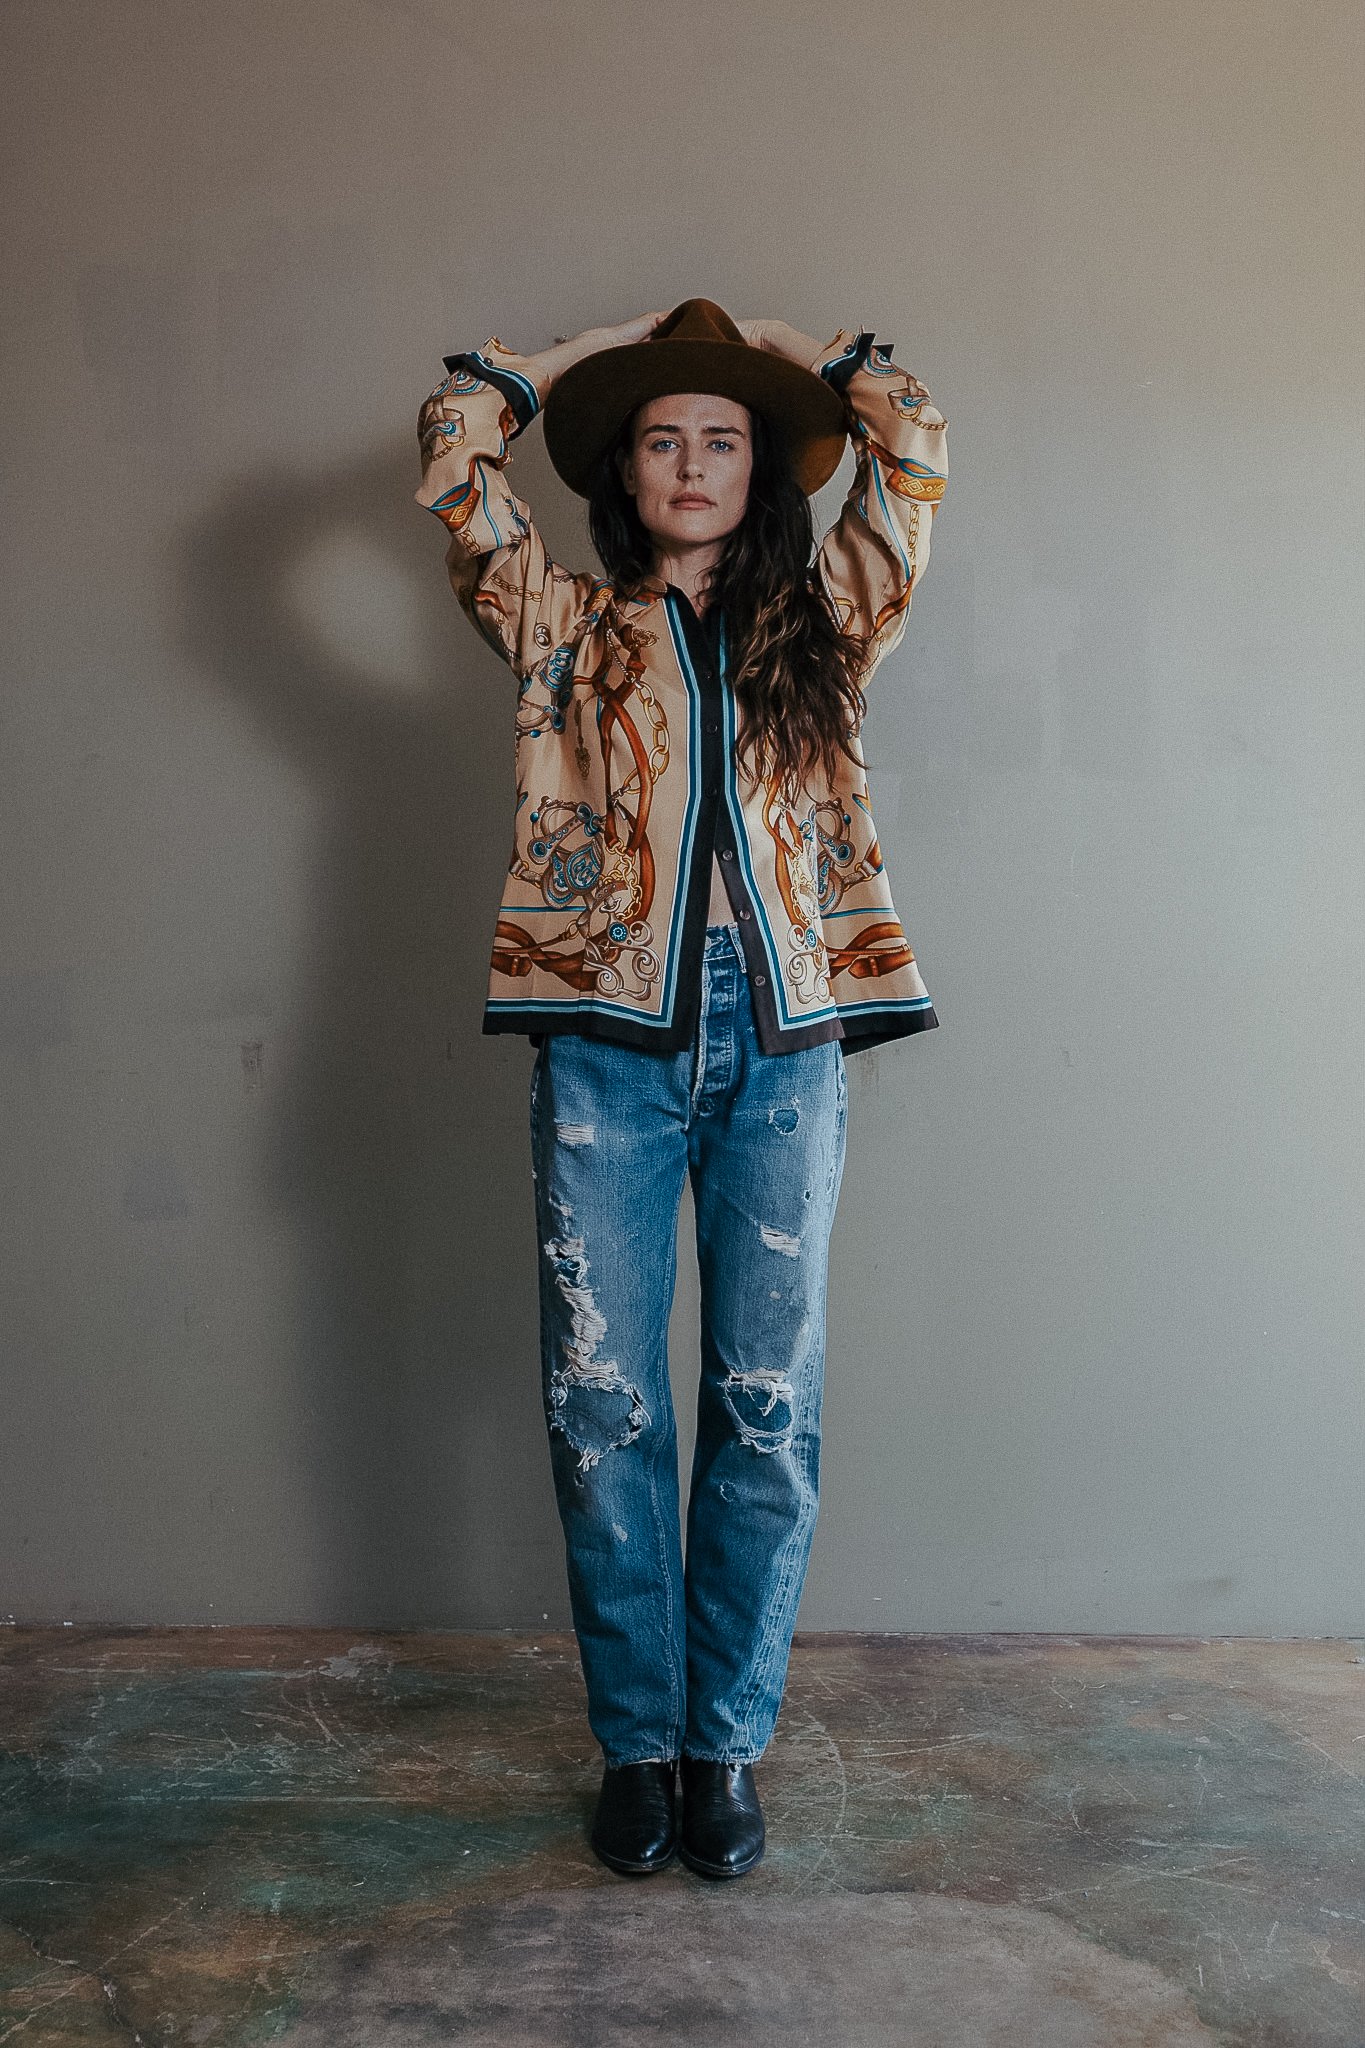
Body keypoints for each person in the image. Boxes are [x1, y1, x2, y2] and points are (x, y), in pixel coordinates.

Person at [415, 299, 948, 1878]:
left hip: (782, 1040)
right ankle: (635, 1746)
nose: (693, 462)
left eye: (722, 437)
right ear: (623, 473)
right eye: (662, 437)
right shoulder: (561, 624)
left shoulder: (829, 615)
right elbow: (455, 463)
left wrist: (801, 348)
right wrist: (594, 341)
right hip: (603, 1036)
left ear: (759, 470)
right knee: (603, 1403)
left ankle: (727, 1751)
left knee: (762, 1408)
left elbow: (910, 455)